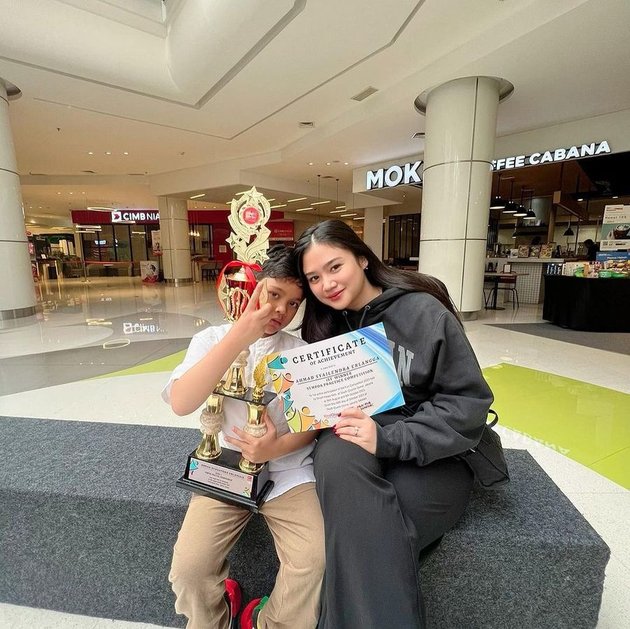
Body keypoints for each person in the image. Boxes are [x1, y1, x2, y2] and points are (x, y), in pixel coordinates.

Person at [293, 220, 493, 629]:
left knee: (363, 541)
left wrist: (388, 439)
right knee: (334, 460)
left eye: (335, 267)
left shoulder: (422, 311)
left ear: (362, 258)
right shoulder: (325, 327)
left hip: (438, 451)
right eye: (314, 277)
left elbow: (468, 404)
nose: (326, 284)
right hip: (358, 435)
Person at [163, 245, 324, 629]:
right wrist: (239, 336)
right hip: (225, 471)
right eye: (273, 294)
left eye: (293, 303)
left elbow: (311, 425)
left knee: (315, 558)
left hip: (288, 472)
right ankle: (216, 618)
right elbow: (183, 402)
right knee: (189, 569)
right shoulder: (212, 341)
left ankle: (268, 621)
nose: (281, 311)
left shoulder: (298, 352)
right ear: (252, 286)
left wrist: (276, 446)